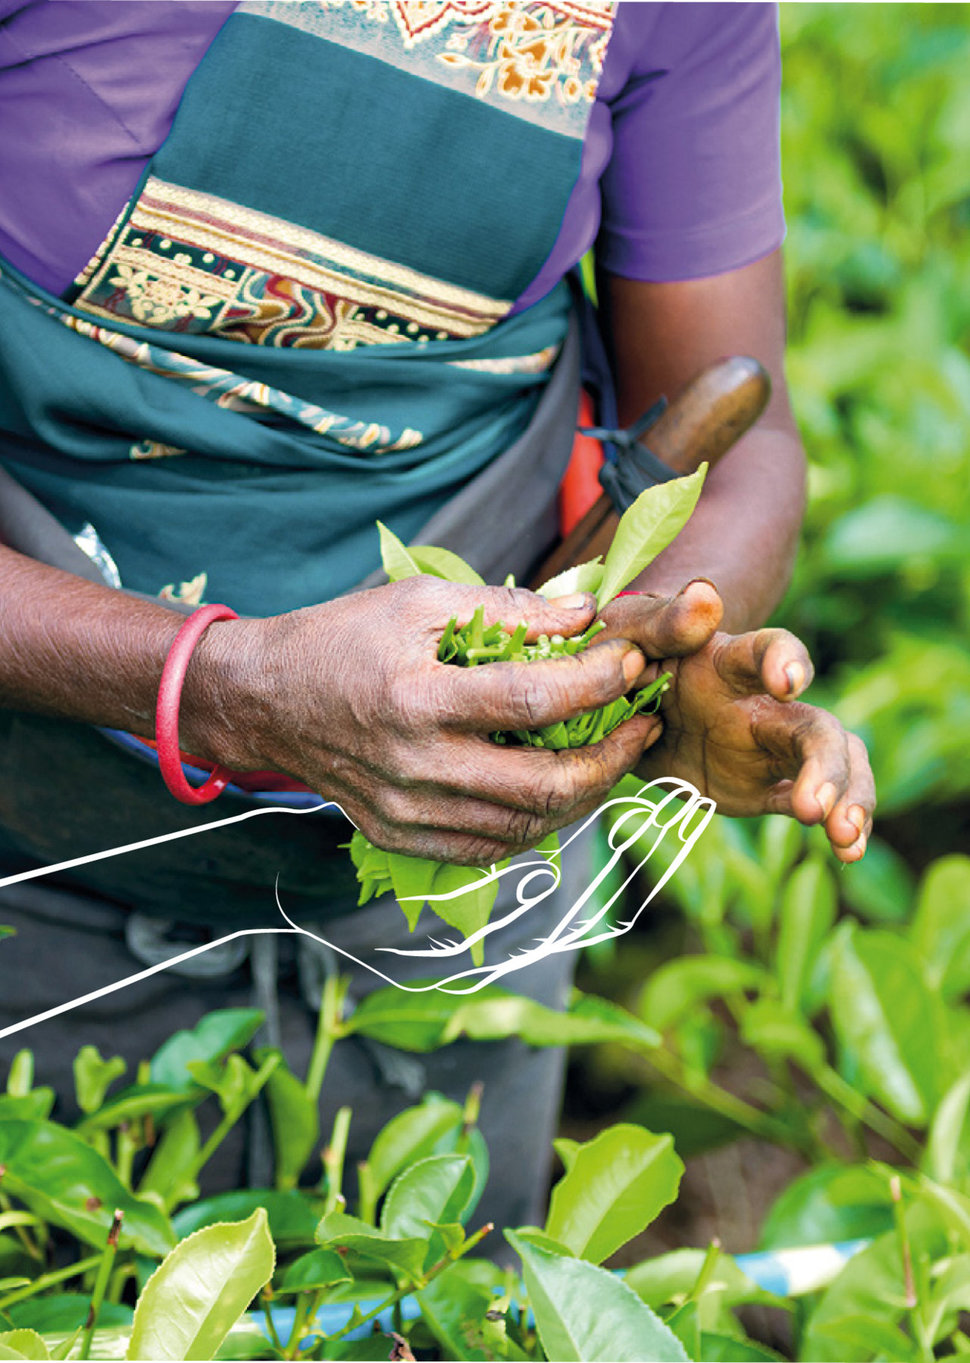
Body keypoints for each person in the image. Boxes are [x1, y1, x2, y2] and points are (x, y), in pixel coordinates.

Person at [0, 0, 874, 1230]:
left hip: (461, 906)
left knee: (424, 1289)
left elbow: (737, 427)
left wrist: (641, 656)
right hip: (31, 838)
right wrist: (225, 687)